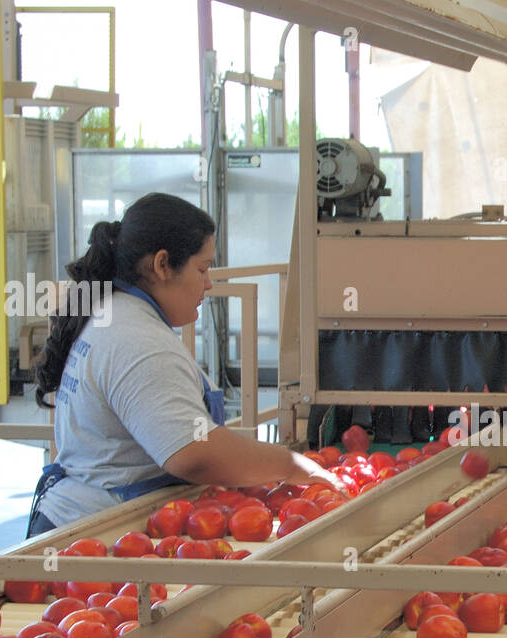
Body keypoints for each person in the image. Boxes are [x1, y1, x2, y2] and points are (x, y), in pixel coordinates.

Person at [27, 192, 341, 535]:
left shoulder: (115, 313)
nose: (208, 284)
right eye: (202, 269)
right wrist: (291, 465)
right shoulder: (136, 338)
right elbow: (194, 453)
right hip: (94, 534)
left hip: (86, 524)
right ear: (162, 265)